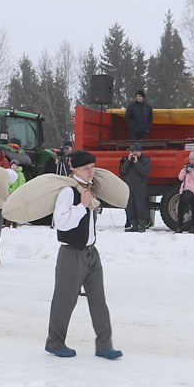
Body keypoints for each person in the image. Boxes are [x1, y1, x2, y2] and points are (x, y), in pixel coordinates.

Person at [45, 150, 122, 359]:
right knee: (65, 300)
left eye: (93, 167)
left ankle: (104, 345)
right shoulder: (68, 192)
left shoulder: (89, 189)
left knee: (98, 299)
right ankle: (54, 342)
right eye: (86, 168)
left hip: (91, 252)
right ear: (74, 168)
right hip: (71, 253)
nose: (91, 171)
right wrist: (82, 206)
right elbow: (60, 223)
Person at [119, 142, 151, 233]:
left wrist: (136, 162)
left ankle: (142, 226)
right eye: (132, 151)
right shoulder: (128, 161)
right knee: (130, 207)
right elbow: (122, 172)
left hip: (140, 188)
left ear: (141, 152)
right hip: (129, 188)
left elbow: (144, 172)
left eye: (136, 151)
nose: (134, 153)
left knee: (140, 207)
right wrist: (129, 161)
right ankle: (134, 225)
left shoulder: (146, 160)